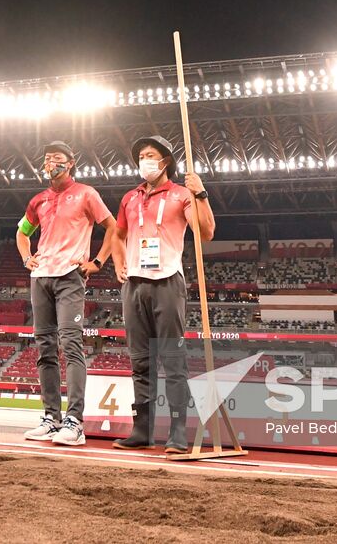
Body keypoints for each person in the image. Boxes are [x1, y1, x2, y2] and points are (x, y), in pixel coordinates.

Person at [106, 135, 214, 454]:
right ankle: (142, 430)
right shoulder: (130, 198)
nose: (145, 161)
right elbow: (117, 235)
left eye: (150, 155)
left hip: (167, 281)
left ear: (165, 160)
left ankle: (177, 431)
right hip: (134, 285)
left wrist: (201, 194)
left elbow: (206, 233)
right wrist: (118, 263)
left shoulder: (181, 194)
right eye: (141, 156)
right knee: (140, 360)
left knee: (173, 360)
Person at [16, 141, 117, 445]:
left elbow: (112, 227)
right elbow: (22, 232)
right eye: (47, 158)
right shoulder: (39, 200)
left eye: (57, 158)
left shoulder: (86, 194)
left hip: (70, 276)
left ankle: (75, 422)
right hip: (41, 277)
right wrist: (27, 257)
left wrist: (98, 261)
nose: (51, 163)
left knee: (71, 345)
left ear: (70, 163)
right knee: (45, 348)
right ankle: (51, 418)